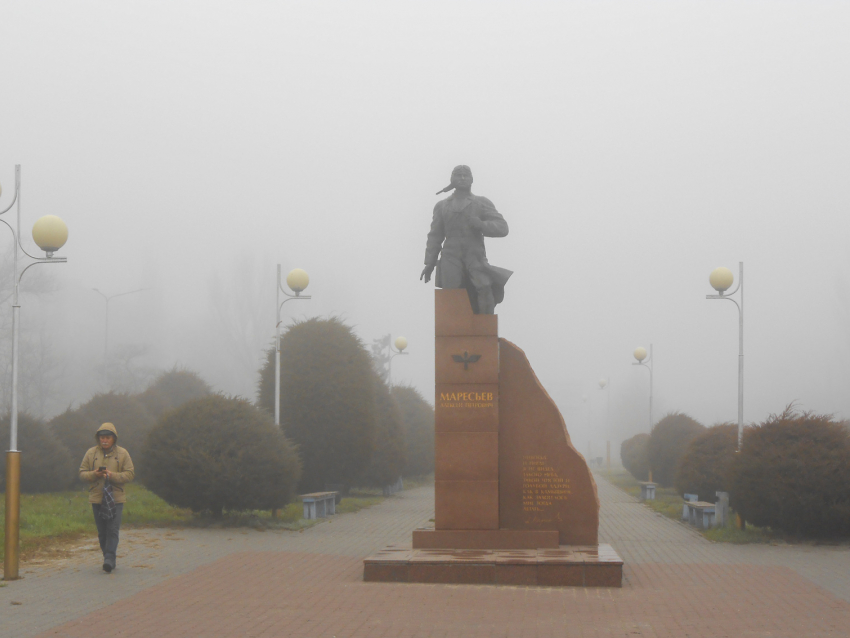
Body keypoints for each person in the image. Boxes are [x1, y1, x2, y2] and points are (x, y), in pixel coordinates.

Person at [420, 165, 512, 314]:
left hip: (475, 257)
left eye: (466, 175)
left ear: (472, 179)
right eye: (458, 175)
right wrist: (430, 262)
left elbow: (503, 228)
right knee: (452, 294)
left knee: (484, 288)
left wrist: (481, 224)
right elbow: (435, 236)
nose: (462, 178)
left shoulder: (481, 202)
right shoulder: (442, 206)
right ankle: (454, 328)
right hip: (450, 256)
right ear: (452, 179)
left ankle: (484, 327)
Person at [79, 423, 135, 573]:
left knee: (112, 529)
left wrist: (112, 476)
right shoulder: (90, 453)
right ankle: (107, 558)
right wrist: (94, 474)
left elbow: (130, 474)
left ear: (113, 439)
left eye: (107, 438)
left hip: (116, 498)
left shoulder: (123, 453)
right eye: (102, 437)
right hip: (97, 497)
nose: (104, 440)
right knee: (102, 531)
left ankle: (109, 558)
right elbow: (82, 473)